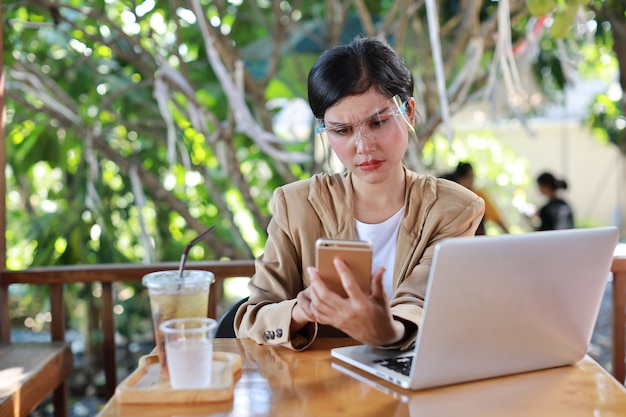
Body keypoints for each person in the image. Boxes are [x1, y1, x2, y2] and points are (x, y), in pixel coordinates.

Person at [234, 36, 484, 351]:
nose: (363, 147)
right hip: (318, 387)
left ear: (409, 111)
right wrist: (300, 311)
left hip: (414, 379)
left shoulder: (454, 209)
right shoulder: (297, 206)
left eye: (377, 122)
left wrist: (387, 330)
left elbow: (420, 300)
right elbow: (252, 318)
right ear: (324, 130)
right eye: (342, 131)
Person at [453, 162, 510, 235]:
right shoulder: (454, 197)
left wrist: (508, 234)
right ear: (461, 178)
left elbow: (495, 217)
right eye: (470, 176)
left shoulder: (478, 195)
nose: (472, 180)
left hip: (477, 239)